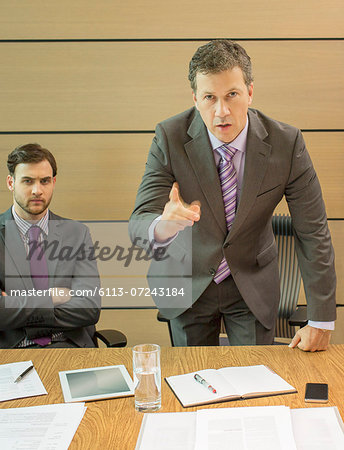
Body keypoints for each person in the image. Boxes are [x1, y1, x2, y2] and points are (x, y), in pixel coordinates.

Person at [129, 40, 337, 351]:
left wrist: (321, 319)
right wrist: (162, 225)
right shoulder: (169, 136)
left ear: (250, 92)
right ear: (195, 98)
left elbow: (313, 230)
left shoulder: (287, 143)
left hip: (251, 282)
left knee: (257, 384)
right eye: (210, 97)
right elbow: (139, 220)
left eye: (232, 95)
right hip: (187, 280)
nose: (221, 111)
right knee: (191, 384)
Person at [0, 143, 101, 348]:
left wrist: (16, 305)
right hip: (14, 351)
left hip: (70, 345)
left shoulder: (77, 233)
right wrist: (51, 297)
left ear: (53, 182)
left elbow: (89, 308)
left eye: (44, 181)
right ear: (11, 182)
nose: (37, 190)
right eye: (27, 181)